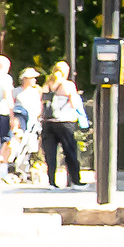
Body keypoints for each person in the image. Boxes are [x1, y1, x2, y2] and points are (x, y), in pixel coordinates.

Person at [42, 60, 83, 188]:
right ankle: (75, 181)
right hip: (65, 121)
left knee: (50, 153)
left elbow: (41, 104)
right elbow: (74, 104)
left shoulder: (47, 85)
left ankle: (52, 182)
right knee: (70, 151)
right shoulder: (68, 85)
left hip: (48, 122)